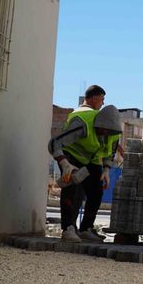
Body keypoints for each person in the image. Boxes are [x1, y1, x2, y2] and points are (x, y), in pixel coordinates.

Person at [48, 85, 122, 243]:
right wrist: (64, 163)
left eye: (108, 133)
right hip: (71, 156)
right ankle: (68, 229)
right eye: (102, 131)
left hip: (91, 160)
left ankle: (86, 228)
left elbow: (111, 151)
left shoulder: (113, 131)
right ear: (99, 124)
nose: (104, 135)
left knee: (96, 191)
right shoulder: (82, 122)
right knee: (71, 189)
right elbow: (54, 143)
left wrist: (107, 169)